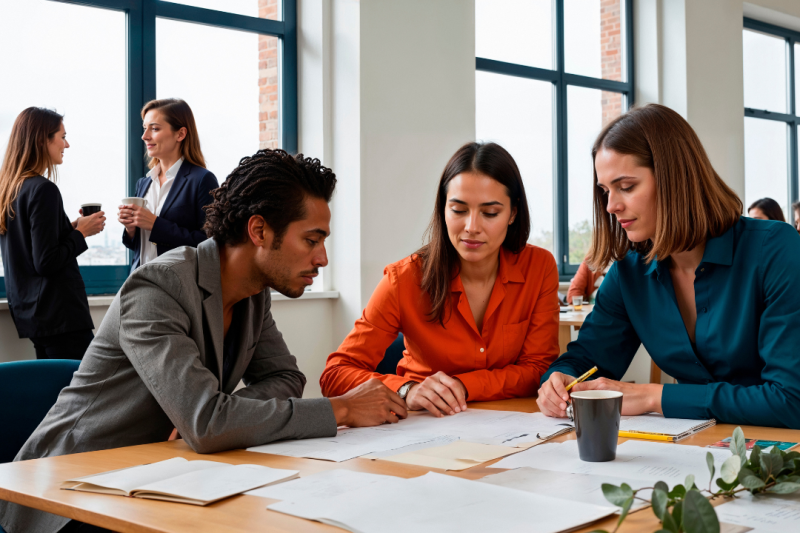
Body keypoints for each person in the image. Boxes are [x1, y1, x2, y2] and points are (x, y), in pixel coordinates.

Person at [0, 149, 407, 533]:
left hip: (166, 478)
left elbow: (285, 377)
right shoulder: (158, 287)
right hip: (72, 493)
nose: (322, 258)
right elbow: (208, 424)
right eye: (312, 240)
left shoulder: (252, 293)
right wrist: (341, 409)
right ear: (260, 230)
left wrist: (215, 417)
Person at [537, 104, 800, 429]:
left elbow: (790, 400)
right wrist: (559, 380)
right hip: (692, 451)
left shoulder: (775, 249)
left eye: (627, 187)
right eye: (605, 191)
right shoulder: (629, 273)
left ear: (676, 178)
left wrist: (653, 397)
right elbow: (585, 360)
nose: (611, 206)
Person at [321, 142, 560, 417]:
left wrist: (463, 385)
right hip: (423, 426)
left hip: (512, 424)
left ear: (513, 213)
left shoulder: (538, 267)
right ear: (443, 209)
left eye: (490, 213)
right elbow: (335, 374)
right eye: (458, 210)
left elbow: (539, 368)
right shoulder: (404, 279)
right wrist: (407, 389)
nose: (471, 227)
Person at [0, 107, 105, 360]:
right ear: (41, 140)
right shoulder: (44, 190)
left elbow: (31, 245)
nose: (66, 144)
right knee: (84, 395)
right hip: (60, 316)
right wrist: (81, 234)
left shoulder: (11, 189)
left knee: (56, 394)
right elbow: (46, 261)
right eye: (62, 136)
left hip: (33, 315)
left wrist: (70, 228)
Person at [119, 98, 219, 272]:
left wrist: (155, 224)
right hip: (139, 282)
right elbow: (140, 247)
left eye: (155, 128)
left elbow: (210, 244)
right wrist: (131, 228)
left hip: (176, 287)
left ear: (180, 134)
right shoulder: (144, 183)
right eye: (145, 129)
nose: (145, 136)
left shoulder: (202, 179)